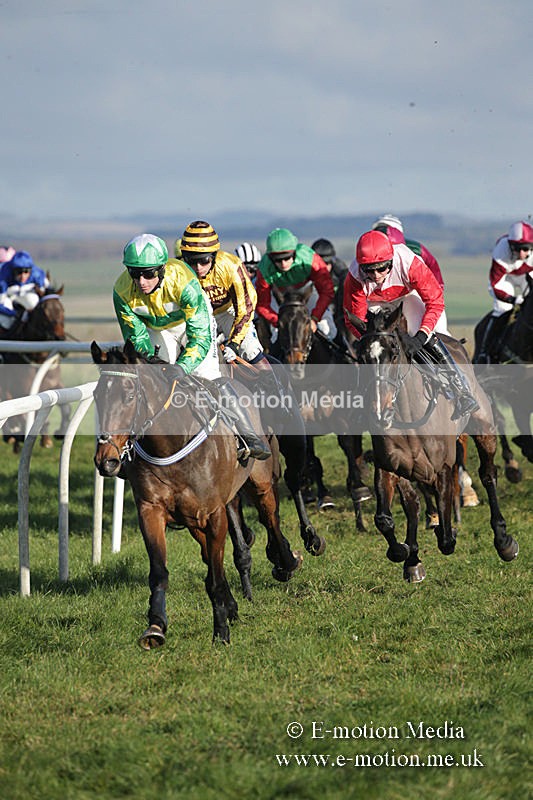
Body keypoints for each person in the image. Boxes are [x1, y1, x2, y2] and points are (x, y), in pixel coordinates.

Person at [114, 232, 269, 461]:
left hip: (192, 326)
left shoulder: (184, 282)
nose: (141, 282)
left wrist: (183, 366)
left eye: (148, 274)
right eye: (134, 274)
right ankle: (131, 449)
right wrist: (154, 363)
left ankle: (248, 436)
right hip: (158, 329)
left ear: (162, 269)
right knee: (153, 380)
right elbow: (136, 338)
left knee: (209, 378)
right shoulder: (121, 291)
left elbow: (200, 337)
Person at [343, 229, 479, 421]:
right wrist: (371, 342)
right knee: (372, 348)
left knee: (419, 331)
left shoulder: (408, 262)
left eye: (381, 268)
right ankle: (362, 400)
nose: (376, 275)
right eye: (369, 270)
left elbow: (435, 302)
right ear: (361, 266)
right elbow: (353, 318)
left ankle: (461, 389)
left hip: (408, 296)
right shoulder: (355, 276)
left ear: (391, 261)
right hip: (375, 303)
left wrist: (421, 336)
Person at [371, 214, 449, 333]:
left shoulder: (415, 248)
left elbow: (433, 267)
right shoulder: (372, 250)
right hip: (387, 296)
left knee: (438, 329)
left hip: (413, 292)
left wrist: (435, 292)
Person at [255, 227, 336, 342]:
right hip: (279, 294)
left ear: (294, 253)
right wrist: (278, 321)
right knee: (276, 334)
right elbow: (262, 305)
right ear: (270, 258)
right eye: (278, 260)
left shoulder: (310, 259)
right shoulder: (264, 268)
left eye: (287, 258)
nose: (283, 264)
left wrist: (315, 318)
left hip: (306, 290)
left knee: (327, 329)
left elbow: (326, 291)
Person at [476, 220, 533, 363]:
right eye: (517, 248)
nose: (521, 254)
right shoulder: (501, 251)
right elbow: (495, 286)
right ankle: (484, 352)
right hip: (505, 278)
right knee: (502, 309)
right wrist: (511, 299)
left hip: (525, 276)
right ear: (510, 246)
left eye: (525, 249)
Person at [0, 250, 49, 330]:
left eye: (26, 271)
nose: (23, 276)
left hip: (25, 294)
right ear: (13, 271)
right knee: (6, 320)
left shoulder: (38, 274)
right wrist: (14, 314)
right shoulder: (3, 276)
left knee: (33, 301)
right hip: (7, 296)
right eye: (19, 272)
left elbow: (48, 294)